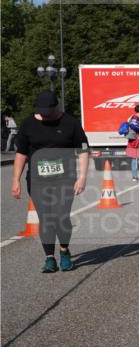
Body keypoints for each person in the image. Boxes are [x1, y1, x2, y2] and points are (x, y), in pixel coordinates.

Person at [10, 90, 89, 272]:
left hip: (65, 179)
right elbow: (21, 153)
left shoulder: (70, 123)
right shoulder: (28, 123)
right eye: (41, 112)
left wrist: (82, 177)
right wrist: (16, 180)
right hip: (38, 180)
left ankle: (64, 250)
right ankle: (49, 258)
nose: (44, 115)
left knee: (61, 216)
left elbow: (83, 150)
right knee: (46, 218)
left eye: (48, 111)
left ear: (56, 106)